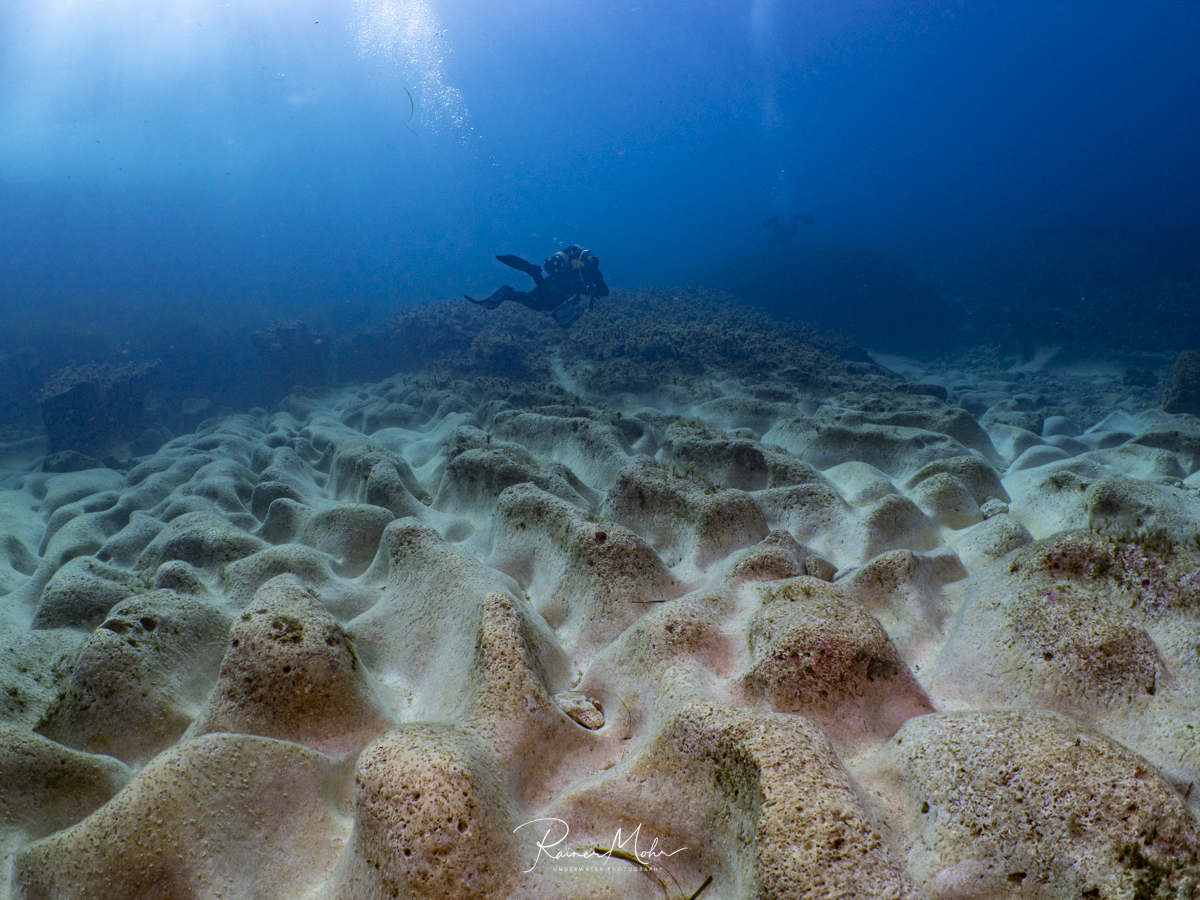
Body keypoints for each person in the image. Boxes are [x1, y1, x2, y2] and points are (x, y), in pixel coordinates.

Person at [465, 245, 609, 327]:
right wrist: (591, 289)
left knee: (532, 299)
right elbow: (605, 292)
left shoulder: (578, 267)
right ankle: (533, 274)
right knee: (543, 304)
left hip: (552, 280)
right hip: (560, 289)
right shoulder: (593, 272)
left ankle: (509, 292)